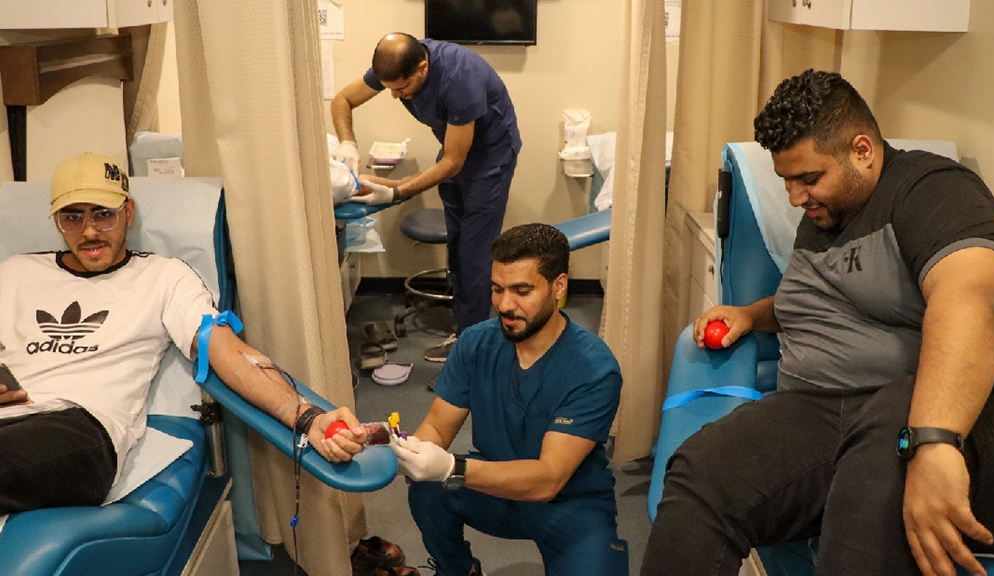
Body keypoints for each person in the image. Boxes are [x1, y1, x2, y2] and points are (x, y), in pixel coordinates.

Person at [641, 69, 994, 576]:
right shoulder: (828, 212)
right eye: (786, 181)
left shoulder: (932, 189)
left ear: (862, 150)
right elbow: (821, 299)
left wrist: (935, 439)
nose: (795, 197)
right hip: (828, 410)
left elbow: (972, 298)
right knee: (702, 472)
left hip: (957, 420)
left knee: (881, 457)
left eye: (808, 178)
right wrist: (752, 315)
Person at [0, 152, 410, 576]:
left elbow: (227, 351)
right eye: (72, 217)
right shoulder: (14, 273)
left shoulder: (164, 278)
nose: (89, 231)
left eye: (103, 214)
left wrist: (306, 417)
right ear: (56, 221)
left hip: (79, 427)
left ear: (128, 212)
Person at [390, 224, 629, 576]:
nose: (504, 305)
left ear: (559, 286)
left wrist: (452, 468)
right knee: (427, 489)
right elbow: (437, 427)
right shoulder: (475, 343)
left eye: (521, 291)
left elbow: (548, 478)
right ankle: (459, 570)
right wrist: (403, 450)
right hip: (497, 485)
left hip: (570, 502)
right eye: (497, 289)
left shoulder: (593, 369)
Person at [332, 32, 521, 362]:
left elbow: (454, 162)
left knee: (475, 256)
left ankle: (472, 354)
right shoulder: (397, 62)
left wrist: (397, 191)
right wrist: (348, 143)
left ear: (423, 68)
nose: (396, 96)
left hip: (490, 158)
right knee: (457, 248)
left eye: (402, 88)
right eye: (390, 88)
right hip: (453, 149)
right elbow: (342, 100)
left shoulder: (460, 77)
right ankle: (465, 333)